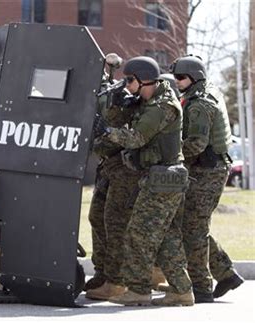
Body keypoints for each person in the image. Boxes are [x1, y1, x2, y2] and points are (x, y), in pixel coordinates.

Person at [94, 56, 194, 306]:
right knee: (166, 238)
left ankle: (138, 290)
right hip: (160, 178)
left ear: (142, 79)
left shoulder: (162, 106)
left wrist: (107, 132)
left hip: (163, 178)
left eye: (129, 80)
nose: (127, 84)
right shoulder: (147, 101)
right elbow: (122, 118)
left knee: (138, 234)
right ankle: (182, 291)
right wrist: (117, 106)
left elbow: (137, 138)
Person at [170, 55, 244, 303]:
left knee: (194, 228)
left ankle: (202, 287)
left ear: (195, 78)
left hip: (207, 171)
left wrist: (170, 153)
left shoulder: (200, 104)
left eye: (180, 77)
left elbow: (196, 144)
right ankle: (225, 274)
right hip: (206, 170)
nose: (176, 81)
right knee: (193, 225)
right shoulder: (201, 94)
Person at [86, 90, 142, 300]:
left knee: (116, 224)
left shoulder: (127, 109)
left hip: (123, 170)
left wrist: (97, 138)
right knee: (97, 217)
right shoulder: (108, 106)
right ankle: (103, 273)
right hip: (107, 167)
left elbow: (119, 140)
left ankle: (117, 281)